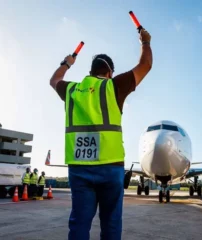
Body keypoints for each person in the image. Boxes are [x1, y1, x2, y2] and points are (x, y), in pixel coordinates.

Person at [49, 28, 152, 240]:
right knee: (111, 223)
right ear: (110, 73)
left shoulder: (72, 90)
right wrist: (145, 42)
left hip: (79, 168)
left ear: (91, 71)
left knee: (79, 223)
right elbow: (145, 66)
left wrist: (67, 63)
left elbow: (54, 80)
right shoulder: (113, 86)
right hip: (110, 166)